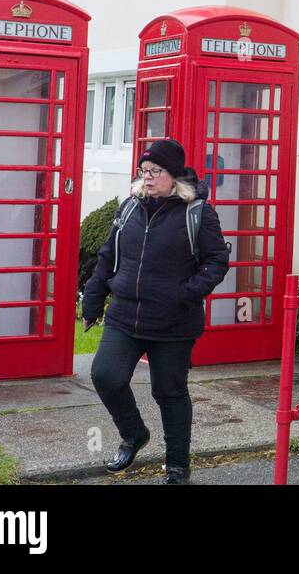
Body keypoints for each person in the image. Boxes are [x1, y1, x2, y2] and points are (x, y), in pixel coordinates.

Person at [82, 138, 230, 484]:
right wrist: (92, 298)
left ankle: (177, 465)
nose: (147, 178)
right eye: (143, 171)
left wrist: (185, 294)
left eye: (155, 171)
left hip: (173, 322)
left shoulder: (198, 213)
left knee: (169, 393)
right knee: (105, 376)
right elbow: (108, 256)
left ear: (173, 175)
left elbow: (216, 261)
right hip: (125, 315)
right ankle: (134, 434)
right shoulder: (130, 208)